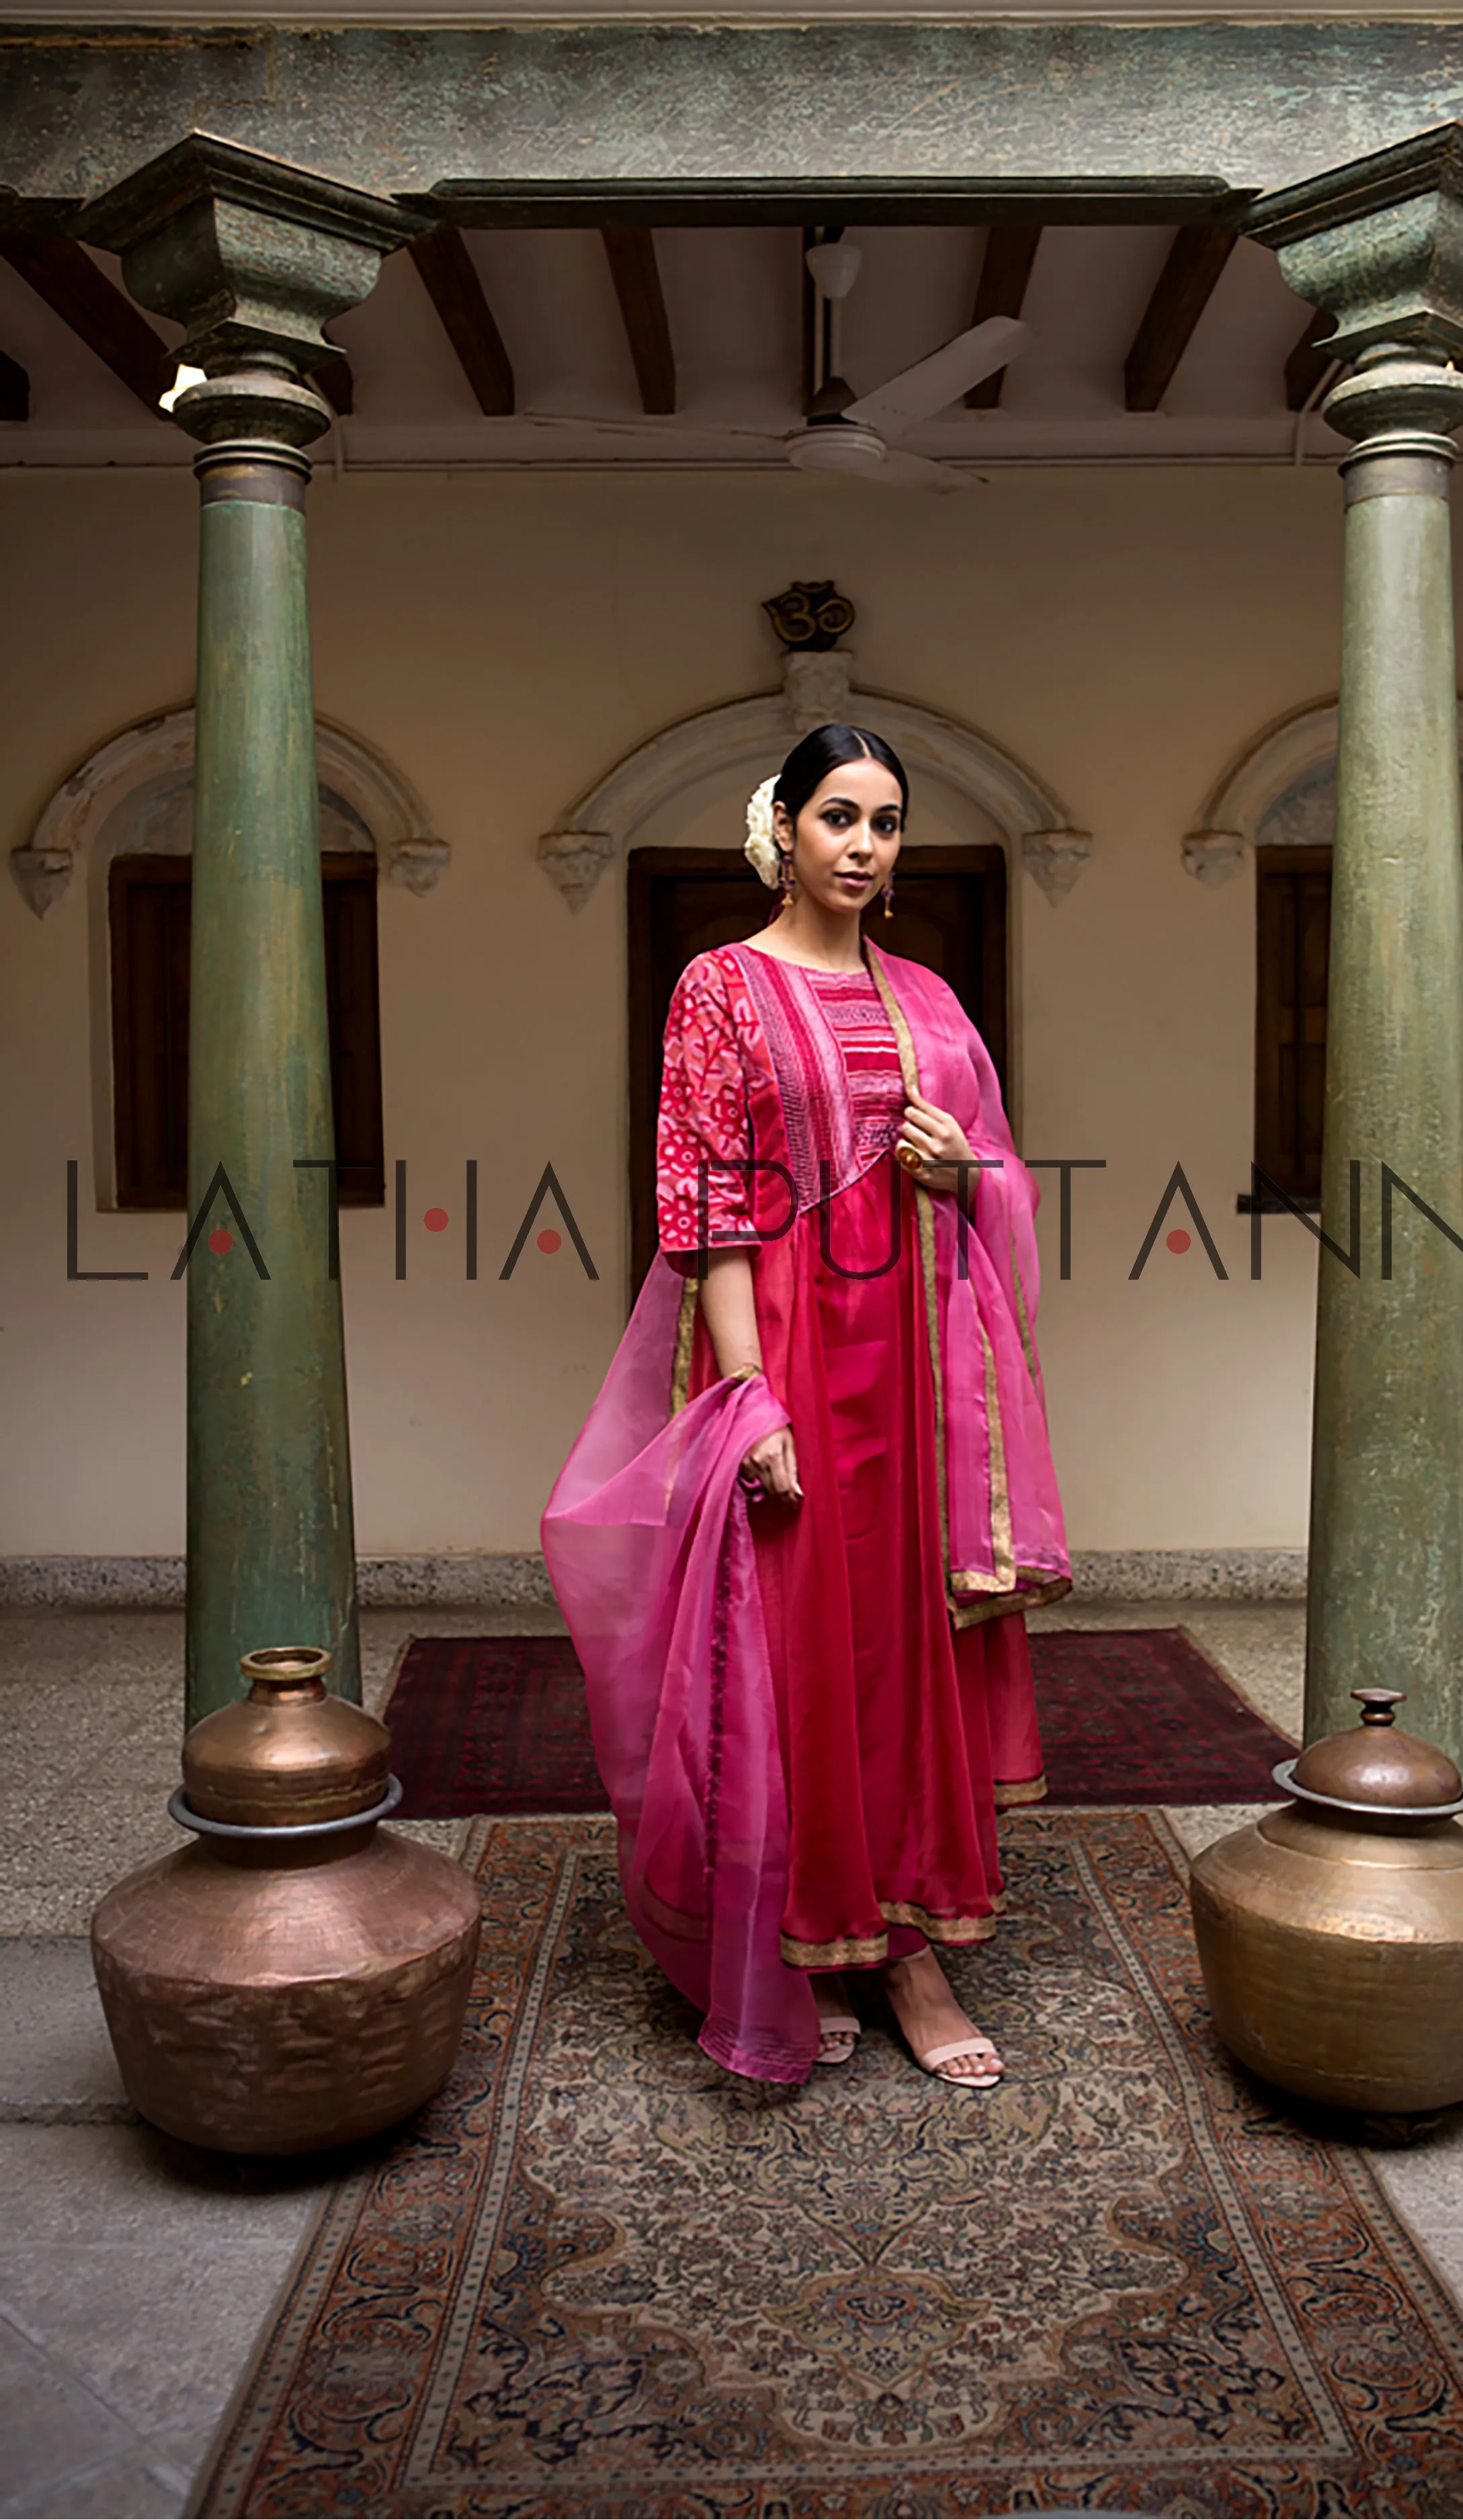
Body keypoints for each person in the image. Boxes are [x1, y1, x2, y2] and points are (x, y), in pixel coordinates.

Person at [542, 724, 1069, 2090]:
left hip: (913, 1361)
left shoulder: (933, 1003)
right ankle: (801, 1932)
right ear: (780, 824)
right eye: (837, 814)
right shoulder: (717, 989)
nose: (862, 843)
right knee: (788, 1641)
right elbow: (706, 1204)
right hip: (781, 1341)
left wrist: (967, 1174)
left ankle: (904, 1947)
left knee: (906, 1644)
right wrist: (749, 1393)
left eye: (886, 822)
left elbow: (999, 1175)